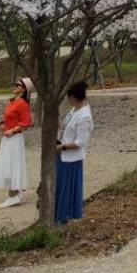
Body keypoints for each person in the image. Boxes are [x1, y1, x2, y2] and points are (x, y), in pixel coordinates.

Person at [54, 80, 94, 223]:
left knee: (66, 188)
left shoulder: (85, 116)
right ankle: (59, 216)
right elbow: (65, 127)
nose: (67, 100)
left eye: (68, 97)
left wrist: (61, 147)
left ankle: (64, 216)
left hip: (70, 157)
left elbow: (80, 142)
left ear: (73, 97)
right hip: (62, 153)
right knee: (59, 186)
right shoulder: (74, 109)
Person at [0, 75, 33, 208]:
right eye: (14, 84)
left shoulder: (22, 103)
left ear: (24, 89)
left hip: (14, 138)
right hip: (8, 137)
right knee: (9, 165)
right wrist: (2, 122)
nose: (14, 87)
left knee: (12, 166)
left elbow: (27, 122)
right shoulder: (13, 101)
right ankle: (16, 192)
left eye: (17, 85)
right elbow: (12, 116)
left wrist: (13, 130)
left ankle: (13, 196)